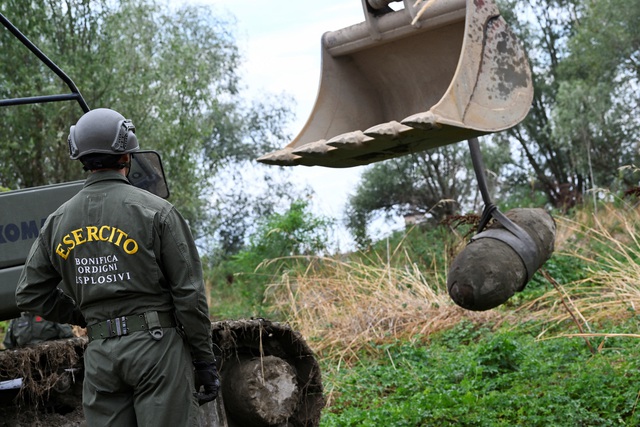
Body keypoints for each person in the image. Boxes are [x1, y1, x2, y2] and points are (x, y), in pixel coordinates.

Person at [15, 108, 219, 426]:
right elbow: (189, 295)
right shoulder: (157, 212)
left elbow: (29, 294)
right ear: (127, 155)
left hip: (101, 356)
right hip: (157, 351)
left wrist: (82, 315)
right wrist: (205, 360)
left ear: (81, 158)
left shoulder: (57, 222)